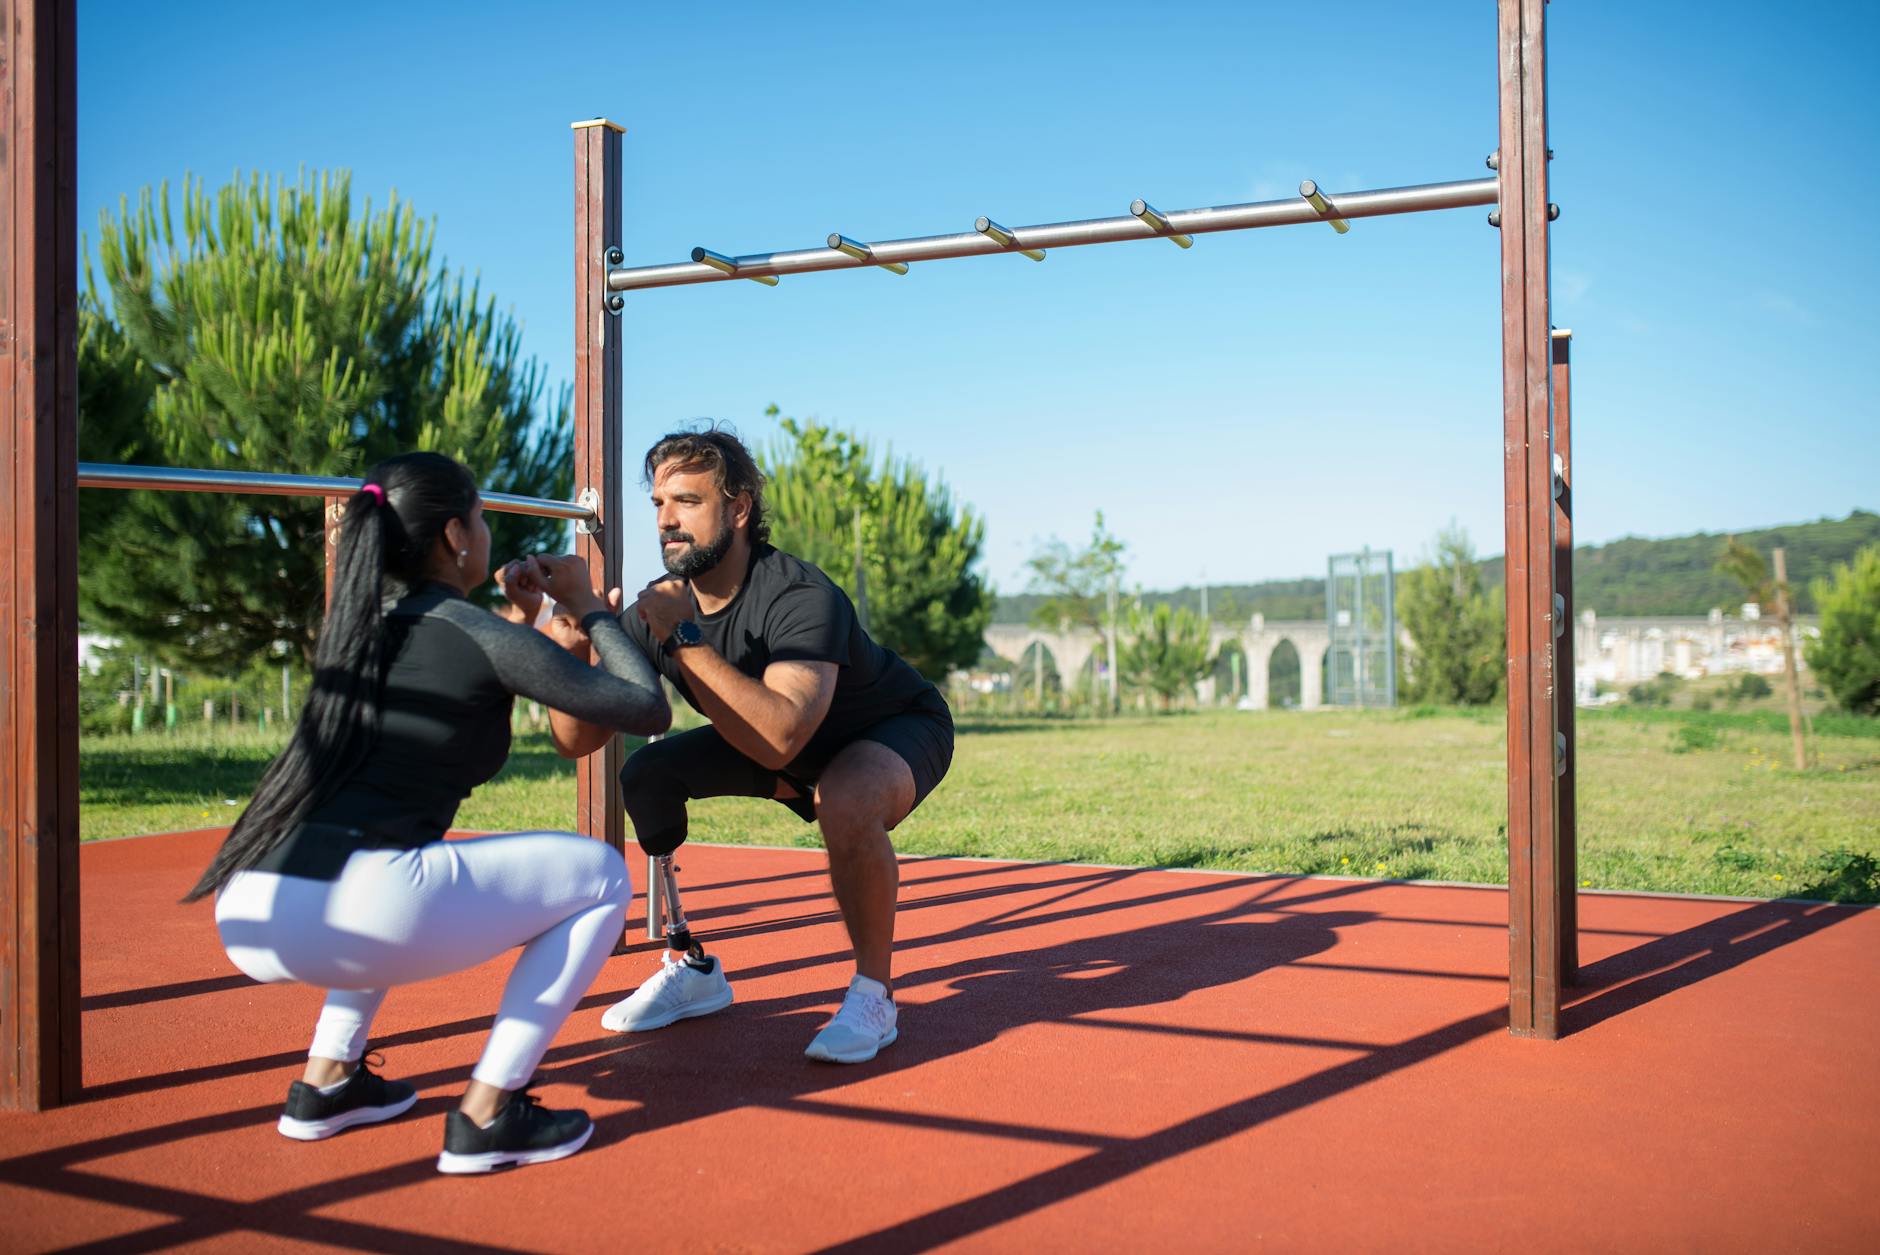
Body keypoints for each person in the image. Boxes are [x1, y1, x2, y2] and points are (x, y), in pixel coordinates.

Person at [190, 451, 670, 1174]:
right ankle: (490, 1111)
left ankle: (328, 1080)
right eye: (478, 517)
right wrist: (591, 608)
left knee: (394, 857)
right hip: (357, 904)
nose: (482, 530)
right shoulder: (475, 633)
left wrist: (526, 616)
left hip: (254, 905)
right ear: (454, 536)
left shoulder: (360, 631)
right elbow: (646, 707)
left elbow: (475, 670)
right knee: (602, 874)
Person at [533, 427, 954, 1064]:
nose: (667, 520)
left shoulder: (800, 597)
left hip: (888, 728)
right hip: (782, 748)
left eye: (688, 502)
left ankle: (874, 994)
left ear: (738, 507)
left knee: (844, 795)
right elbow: (577, 739)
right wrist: (568, 654)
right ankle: (692, 966)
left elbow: (783, 734)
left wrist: (680, 636)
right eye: (658, 504)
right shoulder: (661, 607)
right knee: (647, 774)